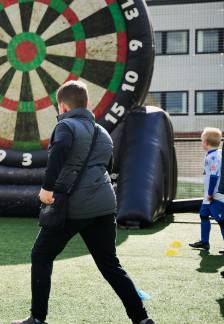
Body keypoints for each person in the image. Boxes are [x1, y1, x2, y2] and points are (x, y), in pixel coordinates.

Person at [12, 81, 153, 324]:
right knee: (110, 265)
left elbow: (59, 153)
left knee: (41, 256)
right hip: (105, 204)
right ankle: (142, 319)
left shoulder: (65, 126)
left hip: (74, 205)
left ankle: (37, 318)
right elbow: (106, 168)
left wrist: (47, 188)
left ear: (63, 105)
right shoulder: (103, 132)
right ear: (86, 104)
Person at [189, 127, 224, 252]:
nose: (201, 142)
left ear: (205, 142)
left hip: (214, 195)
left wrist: (210, 193)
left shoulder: (213, 156)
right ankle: (204, 242)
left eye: (202, 140)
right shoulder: (215, 153)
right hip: (208, 195)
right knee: (203, 215)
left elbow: (214, 176)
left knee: (221, 221)